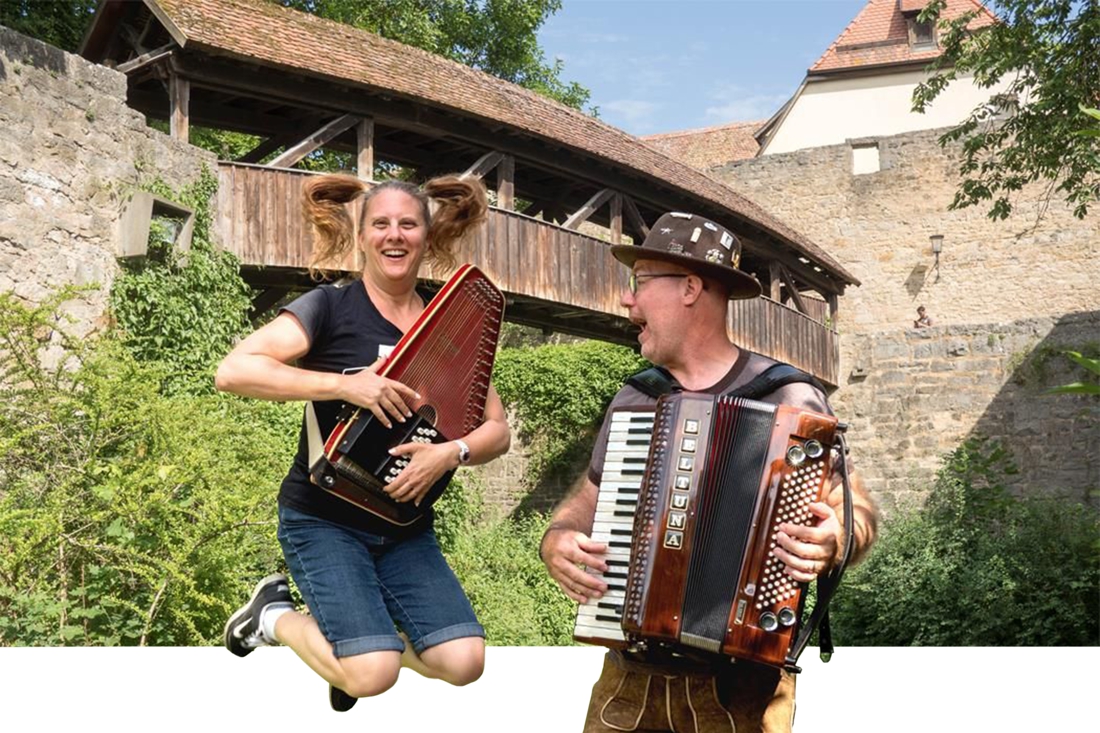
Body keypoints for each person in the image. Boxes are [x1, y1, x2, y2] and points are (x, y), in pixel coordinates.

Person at [540, 212, 878, 733]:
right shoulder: (637, 399)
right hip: (627, 684)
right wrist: (560, 534)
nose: (627, 301)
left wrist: (835, 539)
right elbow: (590, 494)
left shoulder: (790, 397)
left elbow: (855, 512)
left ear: (691, 288)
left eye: (640, 283)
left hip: (740, 693)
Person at [215, 173, 510, 712]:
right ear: (361, 235)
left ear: (428, 236)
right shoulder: (330, 307)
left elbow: (496, 429)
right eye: (381, 224)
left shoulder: (448, 324)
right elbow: (234, 371)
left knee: (465, 662)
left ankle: (351, 647)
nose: (393, 236)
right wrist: (346, 384)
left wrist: (453, 452)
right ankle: (273, 618)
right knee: (373, 676)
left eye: (407, 224)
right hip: (324, 518)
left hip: (404, 526)